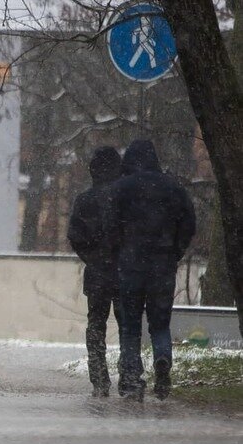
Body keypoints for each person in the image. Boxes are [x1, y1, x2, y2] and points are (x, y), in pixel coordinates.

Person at [108, 140, 196, 401]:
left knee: (130, 325)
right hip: (162, 264)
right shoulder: (173, 188)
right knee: (160, 323)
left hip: (131, 264)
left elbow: (110, 225)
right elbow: (189, 224)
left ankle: (133, 377)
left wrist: (120, 251)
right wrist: (174, 250)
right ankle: (162, 358)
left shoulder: (121, 188)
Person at [67, 146, 122, 397]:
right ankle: (130, 371)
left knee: (96, 323)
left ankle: (99, 376)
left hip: (97, 271)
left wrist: (91, 258)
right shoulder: (126, 199)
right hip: (123, 271)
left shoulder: (85, 200)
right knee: (127, 324)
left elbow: (75, 236)